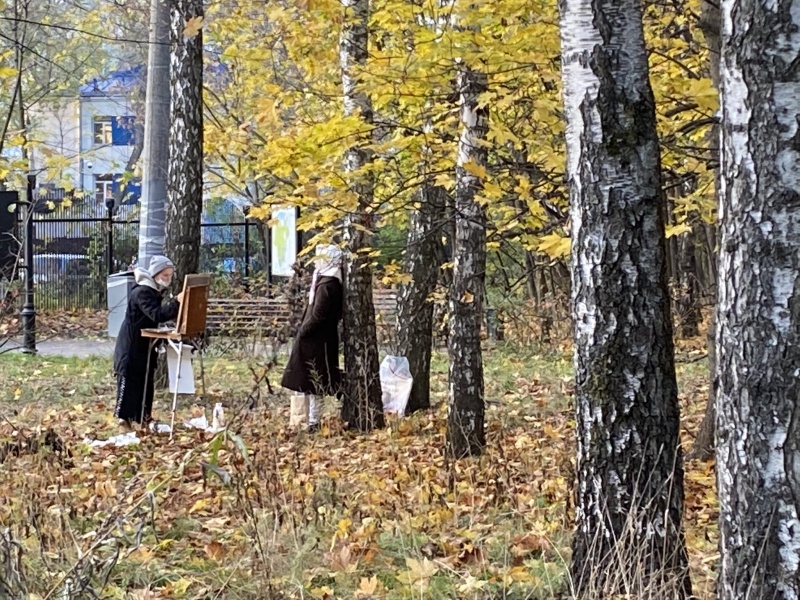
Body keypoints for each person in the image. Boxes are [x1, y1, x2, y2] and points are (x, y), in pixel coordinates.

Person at [113, 255, 184, 429]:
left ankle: (143, 417)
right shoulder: (143, 292)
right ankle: (124, 420)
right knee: (129, 382)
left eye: (170, 275)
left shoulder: (152, 291)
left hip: (144, 346)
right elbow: (157, 314)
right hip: (131, 347)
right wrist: (176, 302)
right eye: (165, 275)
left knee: (145, 381)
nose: (168, 279)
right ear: (155, 274)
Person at [281, 245, 343, 432]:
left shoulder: (327, 285)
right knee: (310, 381)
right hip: (318, 340)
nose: (316, 262)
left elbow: (318, 315)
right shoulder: (328, 281)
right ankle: (309, 420)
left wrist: (303, 331)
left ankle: (312, 421)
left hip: (315, 341)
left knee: (313, 382)